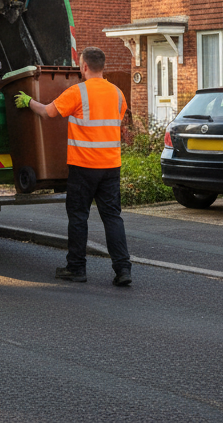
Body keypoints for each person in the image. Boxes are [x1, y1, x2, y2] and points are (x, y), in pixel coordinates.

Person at [15, 46, 131, 287]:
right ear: (103, 66)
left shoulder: (78, 92)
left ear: (84, 66)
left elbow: (48, 113)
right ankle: (123, 269)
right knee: (112, 218)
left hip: (83, 166)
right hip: (111, 166)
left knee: (79, 217)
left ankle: (76, 268)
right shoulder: (118, 93)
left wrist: (28, 101)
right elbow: (114, 122)